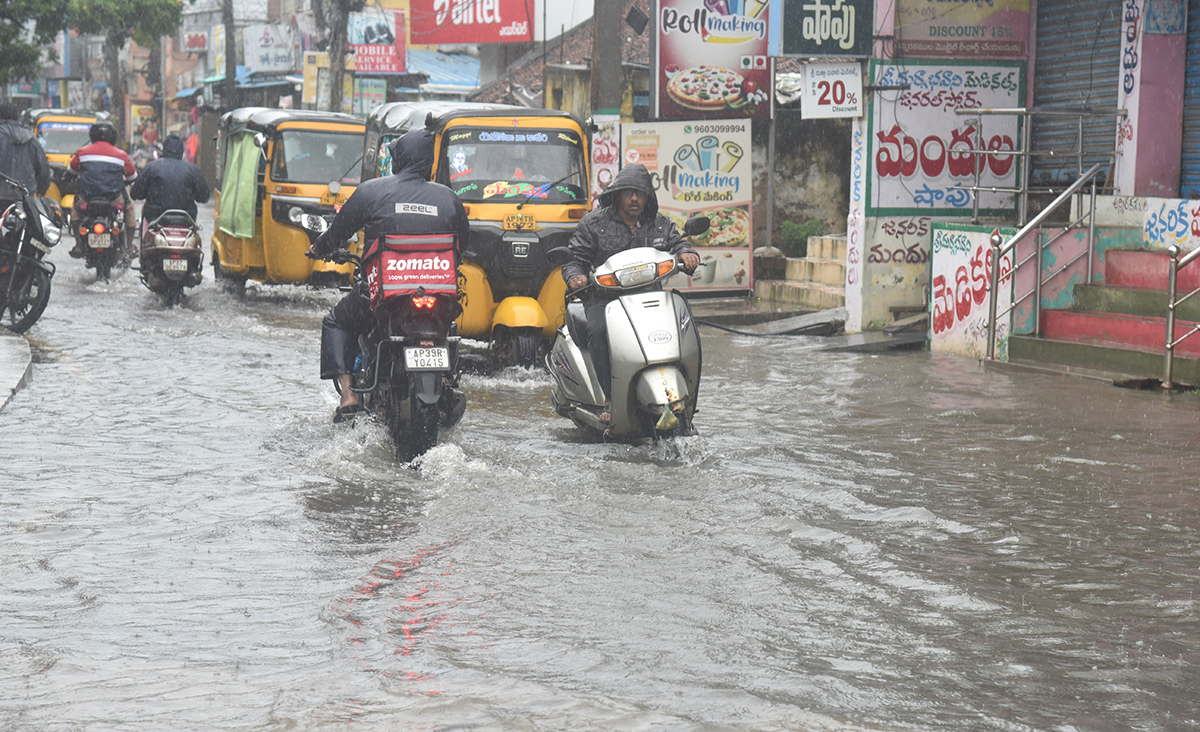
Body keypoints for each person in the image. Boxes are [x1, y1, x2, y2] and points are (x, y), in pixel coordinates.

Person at [309, 126, 469, 423]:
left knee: (335, 322)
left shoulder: (372, 190)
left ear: (400, 159)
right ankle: (445, 381)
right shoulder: (449, 198)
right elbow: (464, 247)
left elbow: (336, 234)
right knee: (452, 328)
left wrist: (319, 249)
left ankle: (348, 396)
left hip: (383, 295)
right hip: (438, 295)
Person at [561, 162, 701, 424]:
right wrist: (576, 277)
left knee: (681, 327)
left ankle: (685, 395)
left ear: (648, 197)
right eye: (628, 192)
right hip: (604, 299)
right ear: (617, 195)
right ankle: (610, 396)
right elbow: (573, 260)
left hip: (650, 298)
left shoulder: (659, 224)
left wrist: (687, 253)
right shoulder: (594, 223)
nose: (634, 198)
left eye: (640, 193)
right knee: (600, 332)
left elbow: (679, 242)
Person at [68, 120, 137, 258]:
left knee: (75, 208)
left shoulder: (82, 152)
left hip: (88, 198)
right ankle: (129, 245)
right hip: (113, 198)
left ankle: (78, 244)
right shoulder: (121, 155)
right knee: (130, 208)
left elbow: (71, 172)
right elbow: (132, 177)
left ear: (92, 135)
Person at [129, 132, 210, 237]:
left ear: (164, 148)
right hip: (186, 221)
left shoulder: (152, 167)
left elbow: (136, 194)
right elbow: (204, 197)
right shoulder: (193, 170)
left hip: (155, 219)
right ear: (182, 150)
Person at [0, 101, 51, 204]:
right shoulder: (31, 138)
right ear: (17, 117)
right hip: (25, 195)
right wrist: (42, 189)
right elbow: (42, 167)